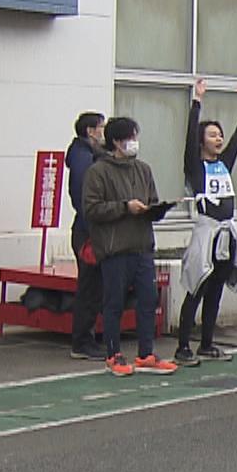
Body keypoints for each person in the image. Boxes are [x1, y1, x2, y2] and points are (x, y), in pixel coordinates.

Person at [82, 118, 178, 377]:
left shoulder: (143, 169)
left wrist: (156, 210)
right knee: (114, 302)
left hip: (142, 245)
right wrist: (125, 207)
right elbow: (91, 209)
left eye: (136, 136)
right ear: (116, 141)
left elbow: (152, 201)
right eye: (130, 137)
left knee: (148, 299)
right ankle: (113, 353)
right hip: (114, 249)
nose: (134, 142)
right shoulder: (98, 171)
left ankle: (146, 353)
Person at [176, 80, 237, 366]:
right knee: (196, 288)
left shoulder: (224, 163)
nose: (219, 139)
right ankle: (183, 346)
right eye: (212, 135)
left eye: (219, 135)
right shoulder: (195, 167)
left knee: (215, 292)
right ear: (202, 140)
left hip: (227, 235)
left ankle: (207, 344)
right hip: (207, 234)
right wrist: (196, 102)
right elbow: (188, 139)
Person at [65, 111, 108, 361]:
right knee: (89, 287)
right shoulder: (83, 157)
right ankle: (82, 341)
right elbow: (83, 195)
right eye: (100, 128)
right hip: (88, 231)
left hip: (92, 229)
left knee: (95, 286)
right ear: (91, 131)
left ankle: (88, 337)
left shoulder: (89, 155)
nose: (103, 133)